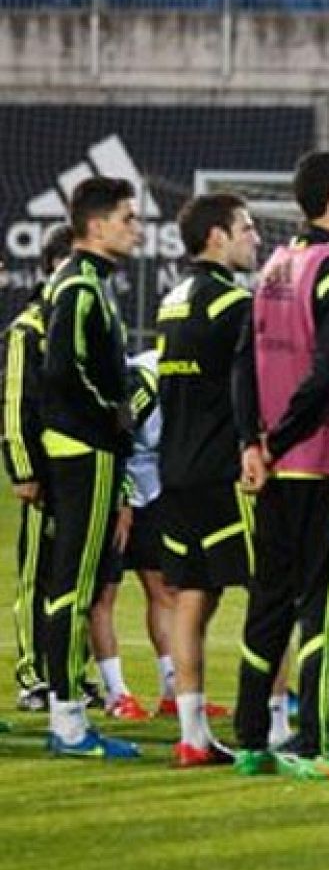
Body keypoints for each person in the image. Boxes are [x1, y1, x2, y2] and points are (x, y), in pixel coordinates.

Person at [231, 151, 329, 780]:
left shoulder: (273, 268)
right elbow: (327, 375)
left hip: (275, 470)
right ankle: (315, 743)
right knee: (324, 606)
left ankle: (250, 742)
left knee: (268, 601)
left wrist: (253, 443)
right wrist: (278, 440)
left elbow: (242, 365)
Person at [37, 177, 144, 759]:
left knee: (75, 586)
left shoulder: (90, 284)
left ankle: (69, 718)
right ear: (97, 225)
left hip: (86, 449)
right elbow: (61, 371)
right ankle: (69, 724)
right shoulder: (79, 288)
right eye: (129, 218)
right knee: (74, 588)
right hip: (84, 450)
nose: (137, 228)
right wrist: (114, 416)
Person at [155, 192, 260, 765]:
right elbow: (252, 385)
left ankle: (193, 734)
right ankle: (271, 723)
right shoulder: (234, 304)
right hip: (224, 471)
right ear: (217, 237)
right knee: (271, 588)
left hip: (175, 469)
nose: (255, 238)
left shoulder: (171, 301)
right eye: (246, 228)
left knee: (194, 594)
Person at [3, 224, 74, 714]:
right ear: (53, 266)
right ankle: (32, 673)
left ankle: (70, 672)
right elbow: (14, 406)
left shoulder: (80, 320)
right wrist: (23, 468)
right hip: (44, 475)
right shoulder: (29, 329)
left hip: (81, 471)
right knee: (37, 576)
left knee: (74, 579)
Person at [88, 352, 175, 723]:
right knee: (103, 594)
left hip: (154, 491)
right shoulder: (146, 380)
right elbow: (116, 432)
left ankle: (173, 690)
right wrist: (121, 496)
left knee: (163, 591)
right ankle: (116, 693)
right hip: (117, 491)